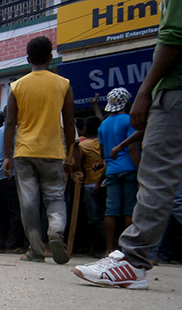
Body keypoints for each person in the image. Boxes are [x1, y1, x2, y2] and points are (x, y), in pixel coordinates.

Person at [73, 0, 182, 289]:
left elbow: (173, 36)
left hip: (112, 171)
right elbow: (132, 139)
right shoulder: (119, 122)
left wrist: (145, 90)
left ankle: (129, 257)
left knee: (150, 185)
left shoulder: (109, 123)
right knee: (129, 208)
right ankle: (124, 252)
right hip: (123, 169)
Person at [3, 36, 75, 264]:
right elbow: (70, 121)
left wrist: (6, 156)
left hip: (24, 151)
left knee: (29, 202)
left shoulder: (17, 86)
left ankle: (35, 250)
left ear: (28, 59)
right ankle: (55, 231)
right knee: (55, 197)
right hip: (53, 151)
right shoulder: (63, 84)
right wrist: (71, 151)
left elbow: (9, 124)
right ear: (50, 58)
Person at [96, 88, 140, 256]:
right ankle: (127, 249)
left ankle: (108, 249)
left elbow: (103, 154)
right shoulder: (129, 120)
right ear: (127, 103)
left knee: (111, 209)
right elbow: (133, 148)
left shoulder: (103, 124)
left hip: (112, 171)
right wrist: (140, 172)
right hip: (129, 169)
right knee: (129, 209)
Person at [0, 110, 24, 253]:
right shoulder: (16, 131)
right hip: (11, 173)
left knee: (2, 212)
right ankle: (12, 244)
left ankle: (0, 244)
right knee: (15, 211)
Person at [78, 116, 106, 256]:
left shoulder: (83, 145)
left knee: (93, 218)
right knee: (105, 215)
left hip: (90, 185)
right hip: (106, 183)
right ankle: (106, 247)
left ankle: (98, 248)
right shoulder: (104, 142)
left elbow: (77, 164)